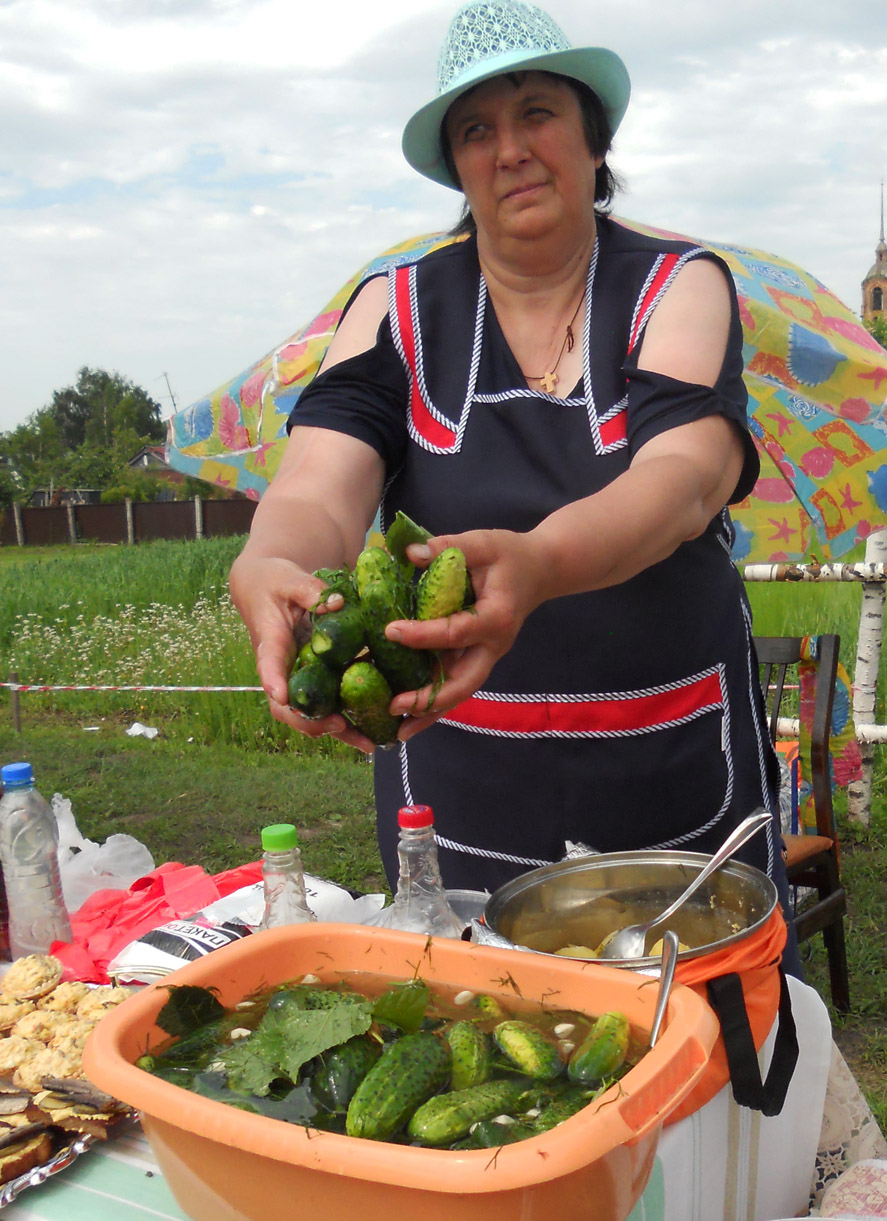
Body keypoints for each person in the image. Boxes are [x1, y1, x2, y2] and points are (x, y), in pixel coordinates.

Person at [229, 0, 797, 964]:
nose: (510, 149)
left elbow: (684, 479)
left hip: (665, 755)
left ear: (591, 136)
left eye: (536, 112)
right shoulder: (393, 308)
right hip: (463, 774)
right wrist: (272, 558)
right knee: (484, 1033)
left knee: (689, 1030)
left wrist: (537, 562)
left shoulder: (678, 285)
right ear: (456, 164)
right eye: (476, 129)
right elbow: (323, 483)